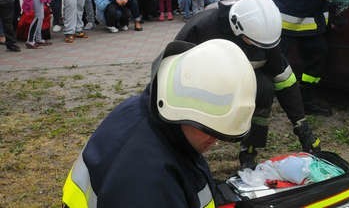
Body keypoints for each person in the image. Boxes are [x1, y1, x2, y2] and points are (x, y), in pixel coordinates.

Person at [62, 39, 257, 207]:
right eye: (208, 129)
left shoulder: (146, 114)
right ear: (180, 110)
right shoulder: (146, 182)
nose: (214, 140)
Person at [175, 0, 321, 169]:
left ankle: (249, 151)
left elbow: (284, 81)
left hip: (237, 82)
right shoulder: (202, 28)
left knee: (265, 88)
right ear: (237, 28)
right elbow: (171, 70)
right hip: (200, 86)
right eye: (253, 43)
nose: (258, 48)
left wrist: (302, 126)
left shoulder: (263, 38)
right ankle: (186, 156)